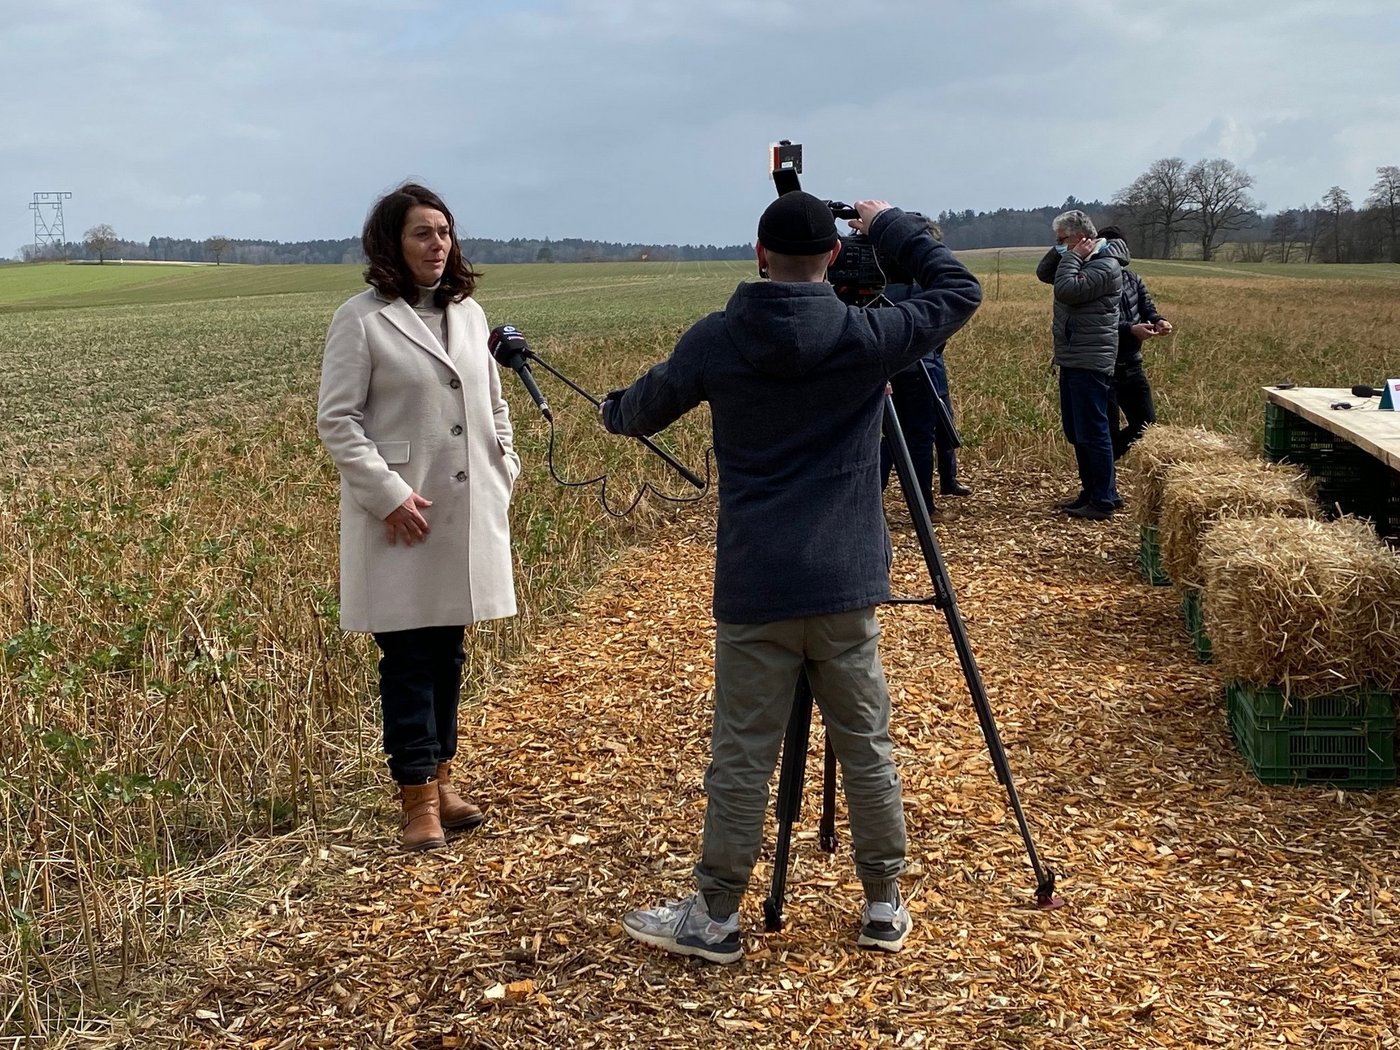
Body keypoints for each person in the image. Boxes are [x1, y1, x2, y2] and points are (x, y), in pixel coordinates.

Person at [601, 191, 982, 963]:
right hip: (845, 581)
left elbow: (636, 413)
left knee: (743, 751)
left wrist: (615, 408)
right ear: (835, 257)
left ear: (758, 253)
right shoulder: (870, 334)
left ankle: (714, 918)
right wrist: (890, 225)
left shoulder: (717, 338)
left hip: (758, 584)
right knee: (867, 743)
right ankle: (882, 904)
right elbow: (959, 289)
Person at [317, 183, 520, 851]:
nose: (438, 245)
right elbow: (338, 421)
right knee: (406, 657)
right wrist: (388, 495)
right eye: (422, 234)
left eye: (444, 232)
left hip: (462, 512)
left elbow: (493, 404)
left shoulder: (469, 313)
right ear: (391, 244)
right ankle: (417, 804)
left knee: (448, 653)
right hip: (403, 515)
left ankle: (442, 780)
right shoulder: (361, 319)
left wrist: (504, 468)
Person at [1035, 210, 1128, 520]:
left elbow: (1067, 290)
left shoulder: (1106, 265)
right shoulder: (1081, 259)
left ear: (1081, 239)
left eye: (1062, 240)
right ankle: (1091, 491)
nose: (1058, 246)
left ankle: (1104, 499)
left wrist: (1073, 257)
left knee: (1094, 431)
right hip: (1075, 356)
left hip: (1090, 358)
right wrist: (1066, 250)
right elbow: (1045, 273)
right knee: (1078, 431)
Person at [878, 217, 971, 521]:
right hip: (920, 368)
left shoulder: (878, 278)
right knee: (917, 437)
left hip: (888, 367)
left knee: (888, 437)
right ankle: (924, 509)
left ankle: (870, 500)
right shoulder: (922, 281)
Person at [1096, 225, 1173, 459]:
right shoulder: (1094, 282)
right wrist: (1131, 330)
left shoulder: (1133, 279)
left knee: (1146, 425)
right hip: (1105, 369)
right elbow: (1099, 322)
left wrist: (1159, 321)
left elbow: (1147, 307)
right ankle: (1101, 478)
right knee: (1105, 432)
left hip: (1131, 365)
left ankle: (1102, 462)